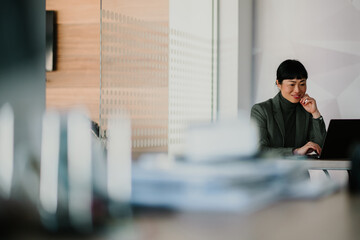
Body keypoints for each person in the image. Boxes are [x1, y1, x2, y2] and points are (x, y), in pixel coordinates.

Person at [251, 59, 326, 156]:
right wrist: (295, 151)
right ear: (278, 84)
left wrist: (315, 113)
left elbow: (320, 147)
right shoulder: (261, 110)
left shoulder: (305, 110)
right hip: (270, 170)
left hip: (297, 171)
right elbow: (260, 150)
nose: (297, 90)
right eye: (292, 84)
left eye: (302, 84)